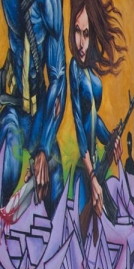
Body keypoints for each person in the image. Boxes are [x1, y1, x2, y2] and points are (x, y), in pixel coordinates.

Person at [0, 0, 67, 217]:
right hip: (14, 105)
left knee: (55, 181)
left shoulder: (51, 8)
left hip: (39, 117)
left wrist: (45, 148)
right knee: (9, 155)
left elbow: (58, 77)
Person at [68, 0, 126, 232]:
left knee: (94, 240)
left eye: (86, 34)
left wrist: (111, 138)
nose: (80, 43)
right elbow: (80, 125)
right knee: (78, 238)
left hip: (95, 173)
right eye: (76, 31)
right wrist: (92, 176)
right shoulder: (74, 68)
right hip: (84, 173)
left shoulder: (94, 79)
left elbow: (93, 120)